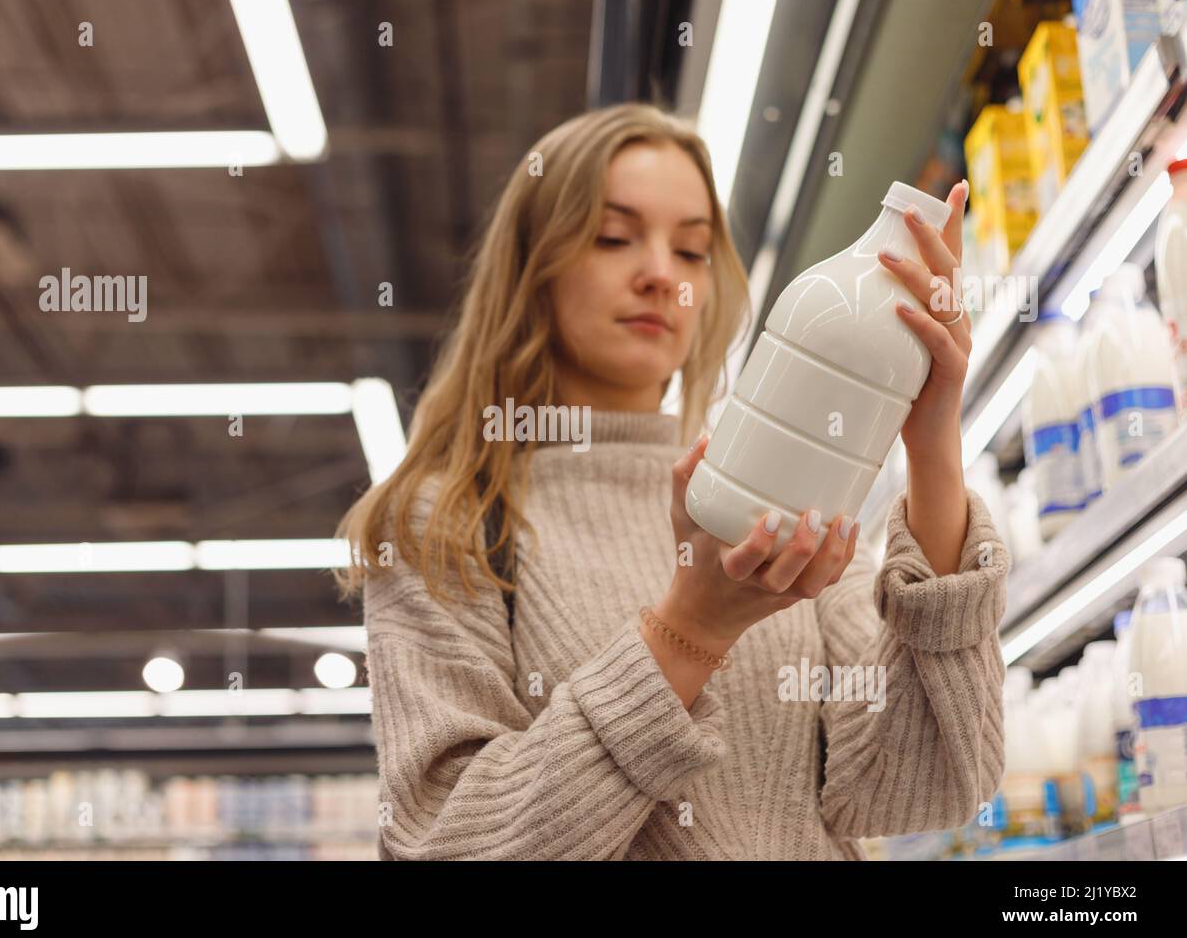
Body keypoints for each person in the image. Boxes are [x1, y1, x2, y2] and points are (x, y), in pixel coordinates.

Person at [335, 102, 1010, 860]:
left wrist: (931, 446)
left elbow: (923, 788)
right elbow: (446, 842)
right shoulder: (450, 522)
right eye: (614, 237)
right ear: (533, 269)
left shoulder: (772, 485)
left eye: (691, 252)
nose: (661, 275)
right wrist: (692, 627)